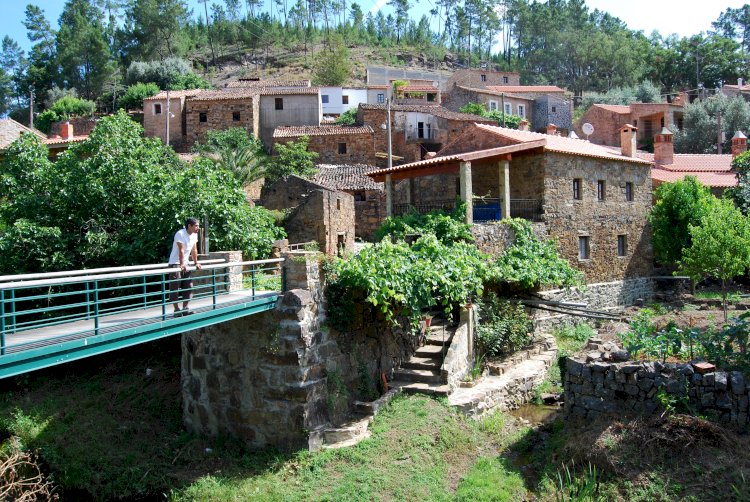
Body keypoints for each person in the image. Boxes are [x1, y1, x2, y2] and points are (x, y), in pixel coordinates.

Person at [168, 217, 202, 316]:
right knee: (175, 287)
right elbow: (181, 250)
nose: (198, 228)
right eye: (196, 226)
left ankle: (185, 308)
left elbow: (194, 250)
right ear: (189, 226)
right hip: (175, 263)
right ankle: (176, 309)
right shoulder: (180, 234)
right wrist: (182, 264)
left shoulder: (194, 235)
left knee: (189, 286)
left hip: (186, 263)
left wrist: (196, 263)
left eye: (198, 226)